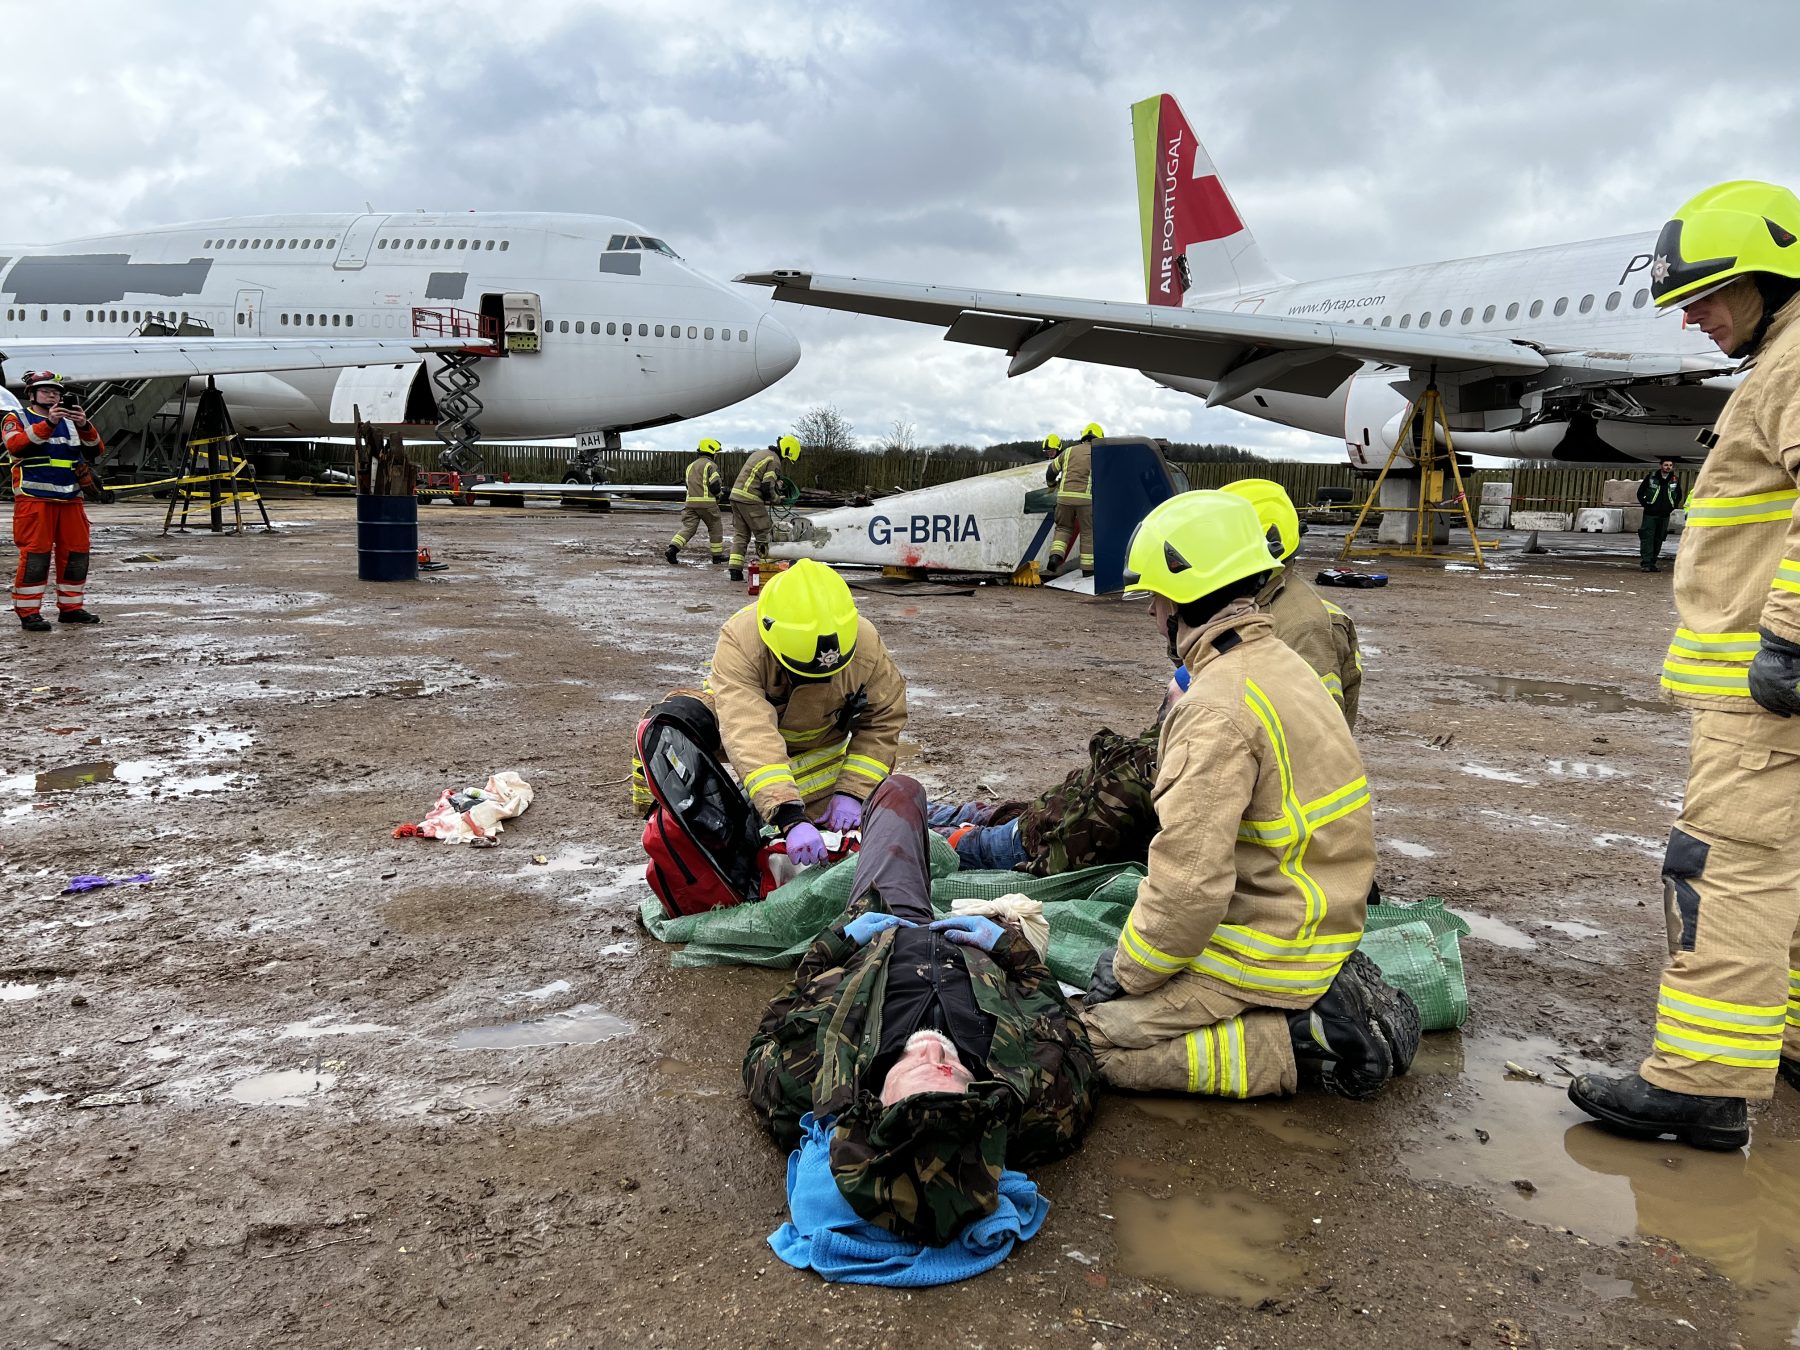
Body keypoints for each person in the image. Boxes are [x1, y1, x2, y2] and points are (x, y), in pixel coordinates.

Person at [1571, 180, 1800, 1151]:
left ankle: (1704, 1083)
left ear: (1767, 272)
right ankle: (1783, 1037)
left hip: (1767, 692)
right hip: (1767, 683)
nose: (1694, 318)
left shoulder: (1794, 362)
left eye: (1708, 294)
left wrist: (1789, 636)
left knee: (1730, 866)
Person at [1077, 490, 1417, 1101]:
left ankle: (1301, 1043)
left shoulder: (1215, 710)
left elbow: (1189, 887)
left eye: (1151, 597)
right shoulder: (1282, 661)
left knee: (1085, 1043)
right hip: (1321, 915)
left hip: (1268, 945)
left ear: (1171, 600)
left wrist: (1128, 973)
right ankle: (1316, 999)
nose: (1151, 611)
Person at [939, 476, 1365, 874]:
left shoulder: (1300, 628)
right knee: (1102, 776)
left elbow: (1304, 753)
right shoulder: (1252, 615)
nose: (1150, 609)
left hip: (1255, 832)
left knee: (1115, 787)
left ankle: (970, 838)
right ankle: (982, 822)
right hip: (1221, 797)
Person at [743, 772, 1098, 1245]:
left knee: (900, 791)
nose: (935, 1055)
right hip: (973, 944)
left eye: (914, 1075)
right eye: (952, 1074)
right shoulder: (1043, 1107)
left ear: (875, 1105)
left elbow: (775, 1023)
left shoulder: (803, 1084)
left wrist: (838, 941)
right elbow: (1067, 1027)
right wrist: (1007, 945)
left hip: (889, 925)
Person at [705, 558, 907, 865]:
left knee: (877, 825)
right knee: (674, 715)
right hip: (758, 744)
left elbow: (883, 720)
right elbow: (749, 731)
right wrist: (788, 814)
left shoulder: (865, 644)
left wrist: (854, 792)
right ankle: (659, 813)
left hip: (822, 746)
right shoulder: (742, 642)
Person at [7, 371, 104, 631]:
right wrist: (49, 423)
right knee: (35, 557)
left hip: (70, 498)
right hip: (34, 499)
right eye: (46, 391)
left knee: (76, 555)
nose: (53, 395)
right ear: (31, 394)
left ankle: (71, 609)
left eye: (57, 392)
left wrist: (84, 424)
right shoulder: (17, 418)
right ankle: (28, 612)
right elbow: (17, 446)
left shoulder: (71, 420)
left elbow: (95, 449)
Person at [728, 433, 801, 582]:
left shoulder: (761, 453)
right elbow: (767, 486)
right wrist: (776, 498)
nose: (785, 461)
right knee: (765, 533)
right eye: (787, 458)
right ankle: (768, 572)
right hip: (750, 499)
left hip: (736, 496)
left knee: (741, 535)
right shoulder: (774, 460)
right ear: (787, 451)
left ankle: (735, 571)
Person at [1047, 422, 1101, 576]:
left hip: (1064, 498)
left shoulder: (1068, 451)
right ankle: (1088, 571)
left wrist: (1051, 485)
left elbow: (1051, 471)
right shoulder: (1098, 453)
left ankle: (1055, 557)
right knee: (1088, 533)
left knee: (1063, 528)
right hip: (1085, 500)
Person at [665, 436, 726, 565]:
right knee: (715, 528)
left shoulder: (690, 466)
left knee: (688, 528)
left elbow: (688, 485)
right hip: (707, 504)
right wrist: (719, 495)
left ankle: (672, 549)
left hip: (690, 503)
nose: (716, 455)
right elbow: (715, 486)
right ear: (711, 451)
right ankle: (717, 557)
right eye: (716, 452)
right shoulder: (711, 465)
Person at [1636, 458, 1686, 572]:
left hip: (1664, 515)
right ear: (1660, 466)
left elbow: (1678, 495)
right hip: (1650, 514)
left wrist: (1671, 507)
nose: (1668, 467)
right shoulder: (1651, 478)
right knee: (1647, 538)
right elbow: (1640, 493)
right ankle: (1646, 563)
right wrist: (1647, 505)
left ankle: (1653, 563)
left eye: (1670, 465)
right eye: (1666, 465)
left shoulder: (1674, 480)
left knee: (1659, 538)